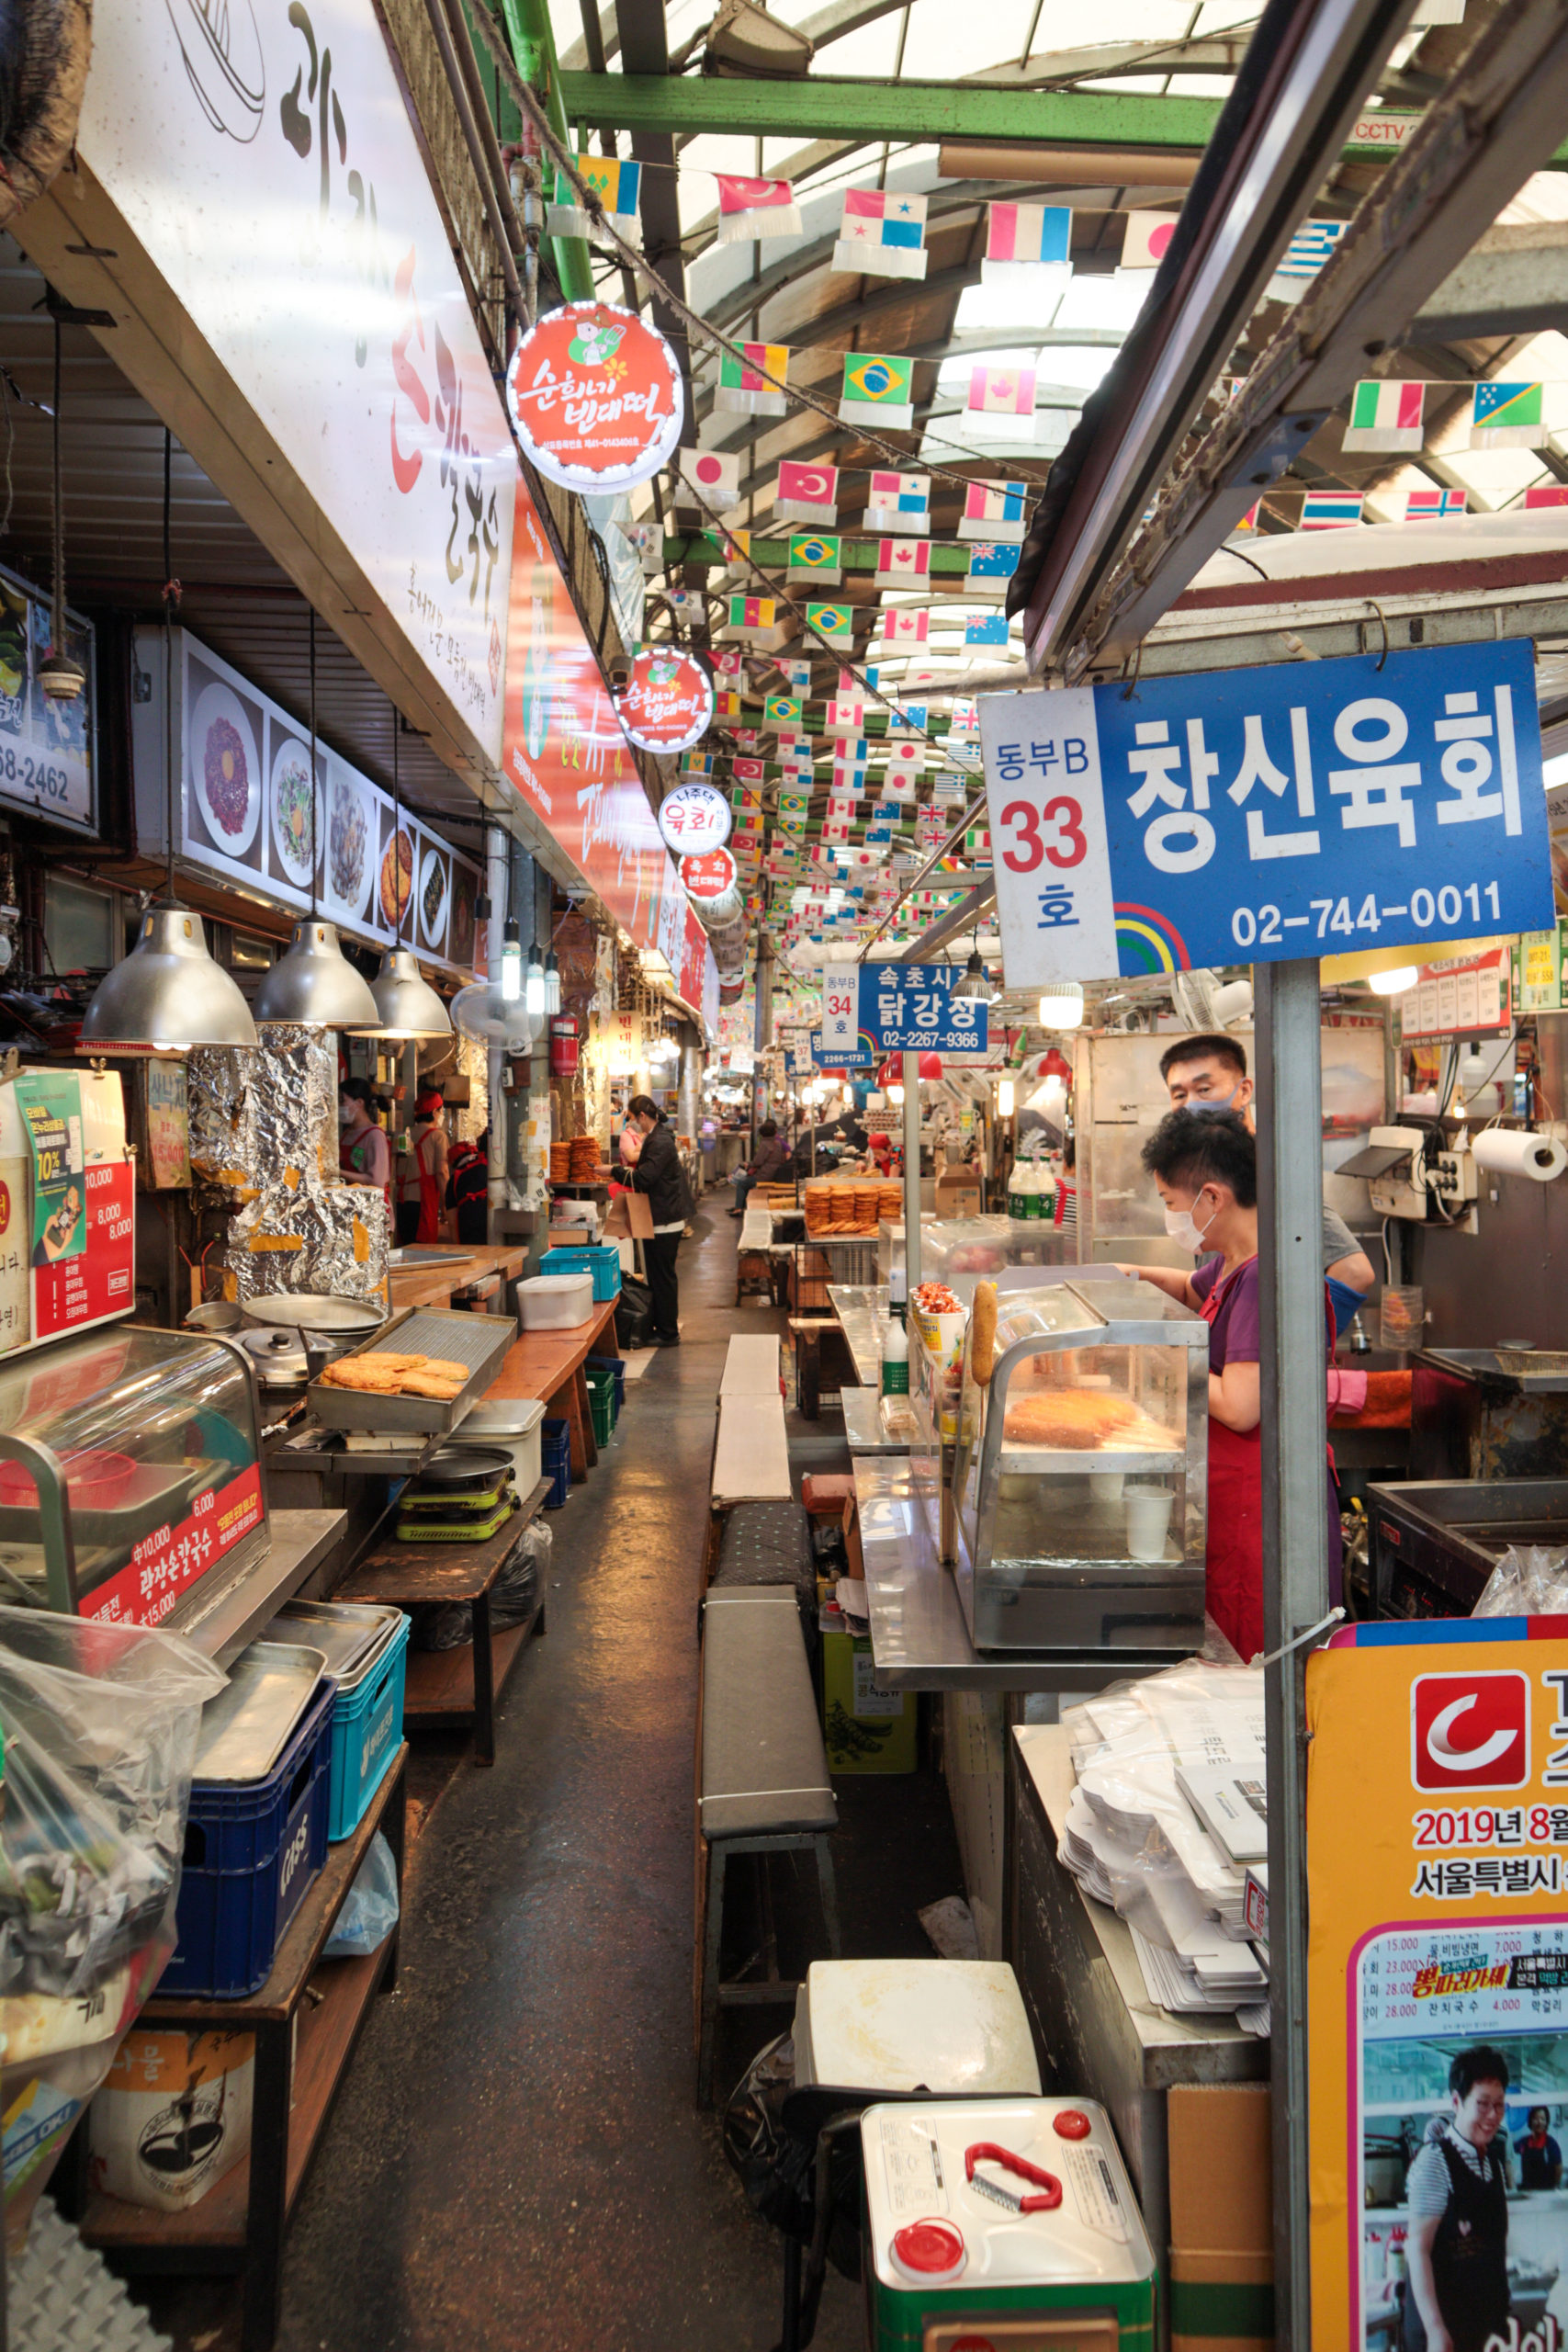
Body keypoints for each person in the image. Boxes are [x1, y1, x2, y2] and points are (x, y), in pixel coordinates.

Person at [1127, 1109, 1340, 1660]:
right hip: (1227, 1501)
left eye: (1173, 1204)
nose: (1171, 1218)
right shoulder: (1232, 1260)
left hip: (1264, 1517)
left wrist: (1156, 1355)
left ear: (1212, 1198)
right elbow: (1198, 1295)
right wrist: (1135, 1279)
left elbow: (1242, 1405)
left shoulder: (1267, 1276)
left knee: (1254, 1670)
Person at [1159, 1034, 1375, 1332]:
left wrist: (1292, 1351)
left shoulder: (1266, 1169)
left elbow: (1353, 1271)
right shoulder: (1212, 1166)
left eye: (1204, 1089)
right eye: (1180, 1095)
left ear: (1244, 1090)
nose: (1191, 1105)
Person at [1402, 2046, 1513, 2352]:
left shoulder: (1492, 2164)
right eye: (1483, 2105)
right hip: (1444, 2332)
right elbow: (1418, 2249)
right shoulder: (1435, 2162)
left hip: (1486, 2328)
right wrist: (1437, 2332)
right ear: (1456, 2102)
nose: (1493, 2116)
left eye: (1500, 2105)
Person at [626, 1092, 693, 1346]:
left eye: (632, 1119)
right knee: (657, 1276)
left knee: (662, 1277)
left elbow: (646, 1177)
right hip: (661, 1217)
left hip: (665, 1219)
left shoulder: (660, 1141)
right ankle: (660, 1327)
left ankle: (667, 1332)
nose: (631, 1124)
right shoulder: (657, 1137)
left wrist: (615, 1172)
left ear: (642, 1116)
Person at [397, 1089, 450, 1247]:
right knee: (423, 1252)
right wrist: (446, 1204)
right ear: (435, 1111)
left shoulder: (404, 1134)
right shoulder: (437, 1136)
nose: (442, 1115)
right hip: (423, 1203)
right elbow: (442, 1171)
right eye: (441, 1111)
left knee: (405, 1250)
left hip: (402, 1200)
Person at [339, 1079, 391, 1208]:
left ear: (359, 1103)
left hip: (372, 1208)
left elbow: (376, 1181)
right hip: (353, 1204)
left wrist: (337, 1172)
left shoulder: (375, 1136)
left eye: (342, 1101)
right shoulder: (346, 1134)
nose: (339, 1107)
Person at [730, 1118, 789, 1219]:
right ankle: (741, 1206)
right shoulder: (778, 1143)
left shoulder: (764, 1144)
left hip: (764, 1175)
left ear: (762, 1133)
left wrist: (748, 1164)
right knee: (746, 1182)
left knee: (741, 1183)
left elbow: (758, 1162)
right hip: (775, 1173)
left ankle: (738, 1208)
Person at [446, 1125, 489, 1245]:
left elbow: (453, 1223)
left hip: (470, 1235)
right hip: (495, 1228)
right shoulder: (494, 1167)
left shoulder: (453, 1180)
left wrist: (458, 1249)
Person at [1515, 2105, 1562, 2192]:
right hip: (1527, 2192)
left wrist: (1554, 2188)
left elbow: (1558, 2168)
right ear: (1530, 2121)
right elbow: (1510, 2150)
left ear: (1546, 2122)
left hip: (1546, 2193)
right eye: (1536, 2118)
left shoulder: (1551, 2144)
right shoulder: (1523, 2142)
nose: (1539, 2122)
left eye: (1543, 2119)